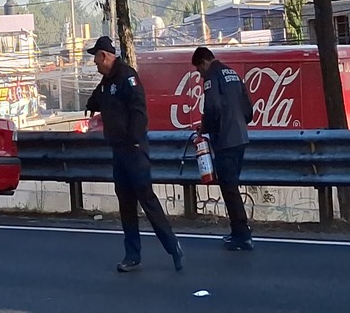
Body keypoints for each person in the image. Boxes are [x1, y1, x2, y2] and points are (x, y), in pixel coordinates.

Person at [85, 35, 183, 273]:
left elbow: (139, 110)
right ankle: (132, 255)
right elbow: (96, 100)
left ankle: (173, 248)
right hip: (118, 152)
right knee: (126, 205)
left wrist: (136, 140)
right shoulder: (107, 81)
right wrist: (91, 106)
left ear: (105, 55)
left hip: (134, 151)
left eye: (96, 58)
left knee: (147, 201)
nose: (95, 64)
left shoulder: (127, 76)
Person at [192, 46, 254, 251]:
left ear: (203, 62)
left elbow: (213, 108)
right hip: (241, 138)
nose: (200, 74)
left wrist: (206, 127)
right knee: (232, 186)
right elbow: (248, 110)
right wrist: (238, 123)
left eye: (199, 70)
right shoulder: (233, 73)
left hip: (225, 140)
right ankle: (238, 231)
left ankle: (242, 235)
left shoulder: (211, 77)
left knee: (229, 189)